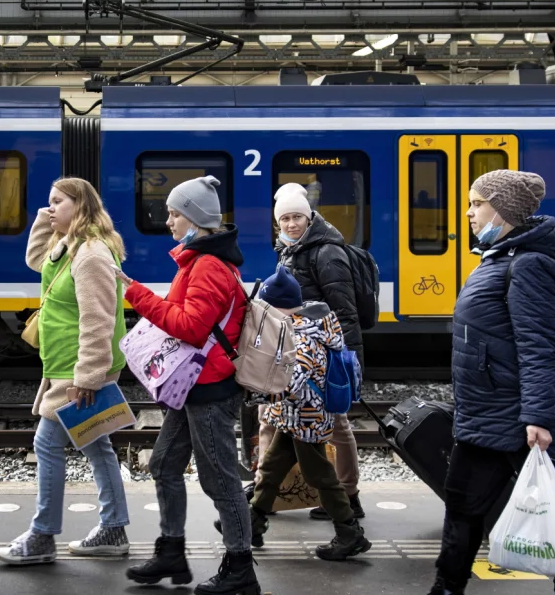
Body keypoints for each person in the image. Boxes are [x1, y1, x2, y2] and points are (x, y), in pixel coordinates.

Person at [429, 169, 555, 595]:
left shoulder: (530, 264)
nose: (469, 212)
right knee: (467, 506)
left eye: (477, 203)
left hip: (513, 415)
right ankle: (446, 588)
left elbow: (539, 347)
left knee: (553, 512)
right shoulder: (503, 257)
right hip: (492, 408)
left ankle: (447, 589)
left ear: (503, 209)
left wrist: (538, 417)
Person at [119, 176, 259, 595]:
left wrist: (136, 294)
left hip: (211, 388)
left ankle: (240, 569)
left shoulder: (209, 266)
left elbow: (191, 328)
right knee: (163, 464)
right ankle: (171, 552)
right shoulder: (199, 261)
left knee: (220, 479)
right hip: (192, 383)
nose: (168, 221)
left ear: (195, 219)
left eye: (174, 213)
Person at [0, 177, 131, 564]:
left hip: (79, 369)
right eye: (48, 201)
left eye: (58, 202)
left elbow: (98, 319)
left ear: (81, 206)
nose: (50, 207)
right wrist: (47, 216)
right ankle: (113, 529)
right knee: (95, 442)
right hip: (65, 364)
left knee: (46, 443)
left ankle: (42, 536)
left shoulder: (90, 255)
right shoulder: (70, 247)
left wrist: (87, 377)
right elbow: (37, 260)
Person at [243, 266, 371, 561]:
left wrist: (259, 392)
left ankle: (349, 532)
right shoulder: (298, 327)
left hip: (308, 419)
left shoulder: (304, 336)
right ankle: (254, 521)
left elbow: (294, 383)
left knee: (321, 475)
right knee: (273, 467)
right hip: (293, 418)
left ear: (277, 307)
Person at [265, 182, 364, 520]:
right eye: (285, 219)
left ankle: (349, 495)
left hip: (322, 354)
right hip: (298, 351)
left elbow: (345, 312)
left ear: (308, 219)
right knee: (281, 423)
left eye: (297, 218)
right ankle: (276, 493)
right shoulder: (290, 249)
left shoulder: (326, 252)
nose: (291, 224)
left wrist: (348, 366)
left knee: (337, 422)